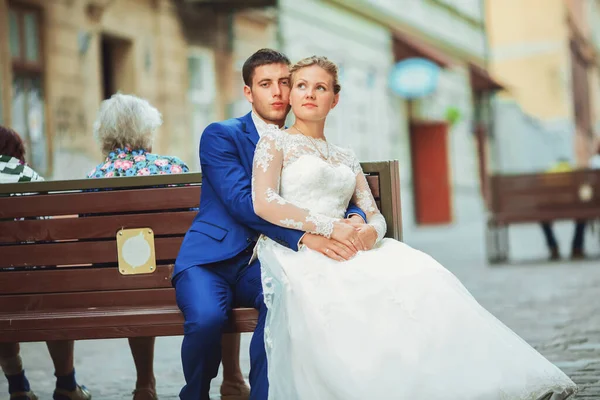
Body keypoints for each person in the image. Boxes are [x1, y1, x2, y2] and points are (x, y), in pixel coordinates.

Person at [251, 55, 578, 399]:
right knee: (357, 291)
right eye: (301, 86)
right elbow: (264, 202)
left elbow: (373, 213)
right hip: (303, 249)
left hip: (353, 244)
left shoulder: (345, 155)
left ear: (335, 98)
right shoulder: (275, 143)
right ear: (290, 95)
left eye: (321, 87)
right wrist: (327, 228)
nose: (310, 94)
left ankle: (461, 382)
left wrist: (370, 232)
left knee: (424, 275)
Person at [173, 49, 369, 400]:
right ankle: (195, 394)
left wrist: (359, 217)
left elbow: (342, 190)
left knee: (284, 302)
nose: (277, 92)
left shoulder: (305, 142)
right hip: (212, 261)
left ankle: (263, 394)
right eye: (266, 84)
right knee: (206, 319)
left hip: (268, 263)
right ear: (249, 92)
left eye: (284, 83)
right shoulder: (222, 135)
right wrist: (308, 237)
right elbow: (243, 204)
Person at [0, 125, 91, 400]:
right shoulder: (30, 177)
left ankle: (18, 386)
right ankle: (67, 384)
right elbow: (47, 239)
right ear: (18, 152)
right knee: (53, 293)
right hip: (34, 288)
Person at [540, 158, 586, 260]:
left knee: (543, 218)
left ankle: (553, 247)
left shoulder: (551, 174)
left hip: (552, 208)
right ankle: (577, 247)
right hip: (573, 207)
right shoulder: (572, 173)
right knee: (583, 215)